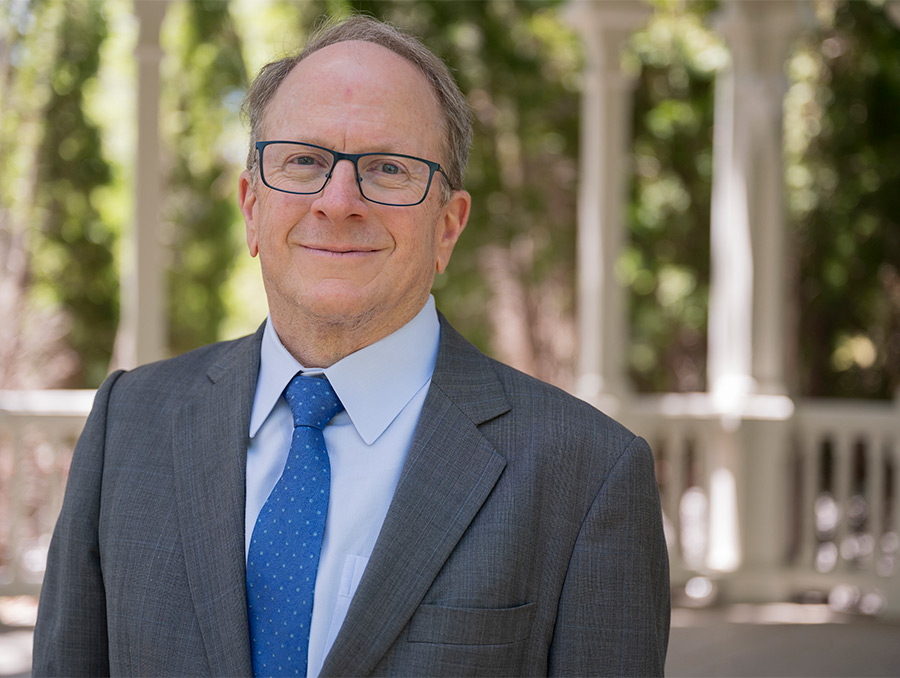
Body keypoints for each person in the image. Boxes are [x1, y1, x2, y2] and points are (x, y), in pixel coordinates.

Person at [32, 15, 669, 678]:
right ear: (252, 208)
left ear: (448, 227)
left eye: (389, 168)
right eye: (303, 161)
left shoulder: (589, 475)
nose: (338, 202)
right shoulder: (127, 424)